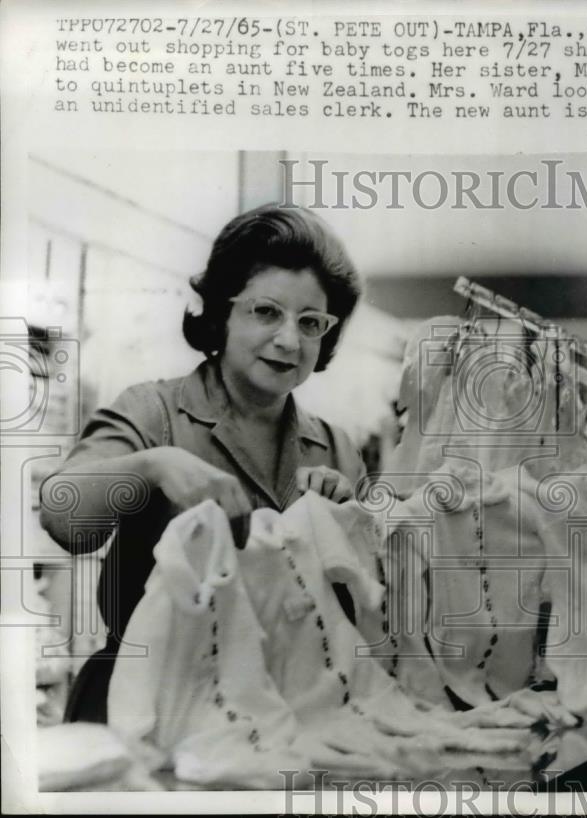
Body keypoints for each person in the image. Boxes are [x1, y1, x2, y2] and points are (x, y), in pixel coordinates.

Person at [39, 204, 366, 723]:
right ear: (222, 311)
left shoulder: (336, 448)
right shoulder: (154, 412)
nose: (289, 339)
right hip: (148, 704)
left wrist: (352, 530)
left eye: (310, 322)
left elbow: (366, 617)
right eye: (266, 312)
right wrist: (151, 466)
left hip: (291, 711)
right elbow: (63, 518)